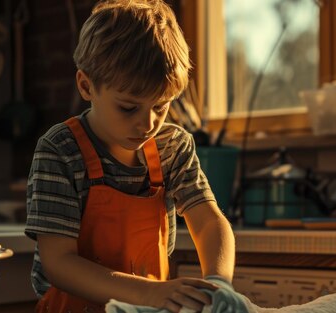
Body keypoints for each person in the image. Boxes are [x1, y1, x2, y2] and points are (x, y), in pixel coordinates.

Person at [25, 0, 240, 312]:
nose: (148, 123)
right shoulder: (60, 151)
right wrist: (149, 293)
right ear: (86, 86)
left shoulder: (172, 147)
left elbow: (208, 222)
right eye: (128, 107)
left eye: (161, 106)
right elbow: (59, 263)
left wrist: (220, 283)